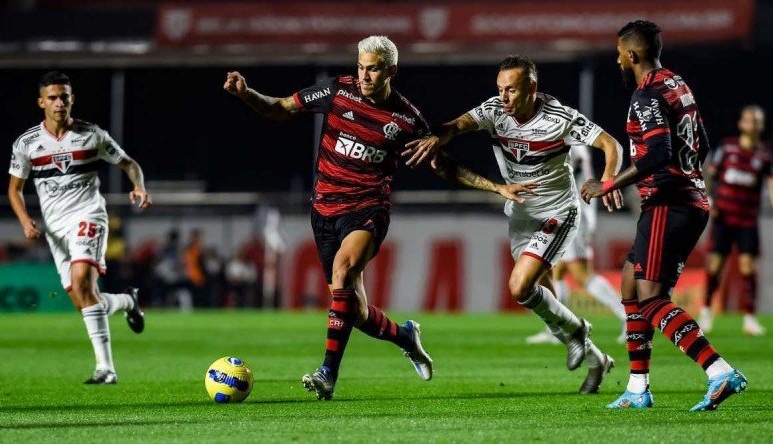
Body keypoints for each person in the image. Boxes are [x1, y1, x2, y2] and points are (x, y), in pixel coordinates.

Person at [224, 35, 433, 400]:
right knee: (355, 310)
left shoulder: (407, 119)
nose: (365, 75)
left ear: (391, 71)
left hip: (368, 208)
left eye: (374, 68)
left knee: (343, 271)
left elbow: (441, 164)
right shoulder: (338, 92)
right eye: (361, 66)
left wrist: (494, 187)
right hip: (323, 210)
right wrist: (246, 94)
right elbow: (280, 108)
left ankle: (327, 374)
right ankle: (404, 336)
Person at [405, 55, 623, 394]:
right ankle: (596, 359)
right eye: (500, 89)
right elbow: (459, 125)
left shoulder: (559, 118)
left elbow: (611, 144)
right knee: (545, 297)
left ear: (532, 88)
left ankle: (579, 331)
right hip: (521, 213)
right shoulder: (495, 110)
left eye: (512, 90)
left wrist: (607, 182)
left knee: (520, 287)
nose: (504, 97)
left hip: (558, 212)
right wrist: (438, 136)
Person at [581, 20, 747, 411]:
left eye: (620, 53)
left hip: (668, 204)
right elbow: (701, 143)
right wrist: (687, 177)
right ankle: (638, 388)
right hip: (686, 200)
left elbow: (657, 153)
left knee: (651, 298)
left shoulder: (647, 95)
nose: (617, 59)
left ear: (633, 54)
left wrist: (608, 185)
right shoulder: (677, 84)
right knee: (629, 285)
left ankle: (718, 370)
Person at [7, 71, 151, 384]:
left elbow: (129, 163)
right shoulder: (27, 144)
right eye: (53, 98)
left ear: (72, 99)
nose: (59, 103)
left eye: (65, 97)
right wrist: (25, 220)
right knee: (83, 299)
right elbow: (14, 189)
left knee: (82, 280)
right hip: (56, 231)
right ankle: (128, 301)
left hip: (88, 216)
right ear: (41, 102)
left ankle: (106, 369)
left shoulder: (92, 135)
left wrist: (138, 186)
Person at [526, 145, 627, 345]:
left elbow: (565, 172)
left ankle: (629, 318)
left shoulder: (571, 144)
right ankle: (557, 328)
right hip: (565, 215)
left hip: (574, 216)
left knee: (581, 274)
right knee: (557, 271)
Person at [700, 105, 772, 336]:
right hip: (723, 216)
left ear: (761, 126)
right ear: (741, 124)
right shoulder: (727, 147)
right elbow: (711, 174)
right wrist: (708, 199)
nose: (753, 124)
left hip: (747, 220)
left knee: (748, 267)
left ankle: (749, 319)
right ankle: (706, 312)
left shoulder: (764, 155)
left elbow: (770, 185)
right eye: (749, 120)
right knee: (715, 265)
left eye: (757, 120)